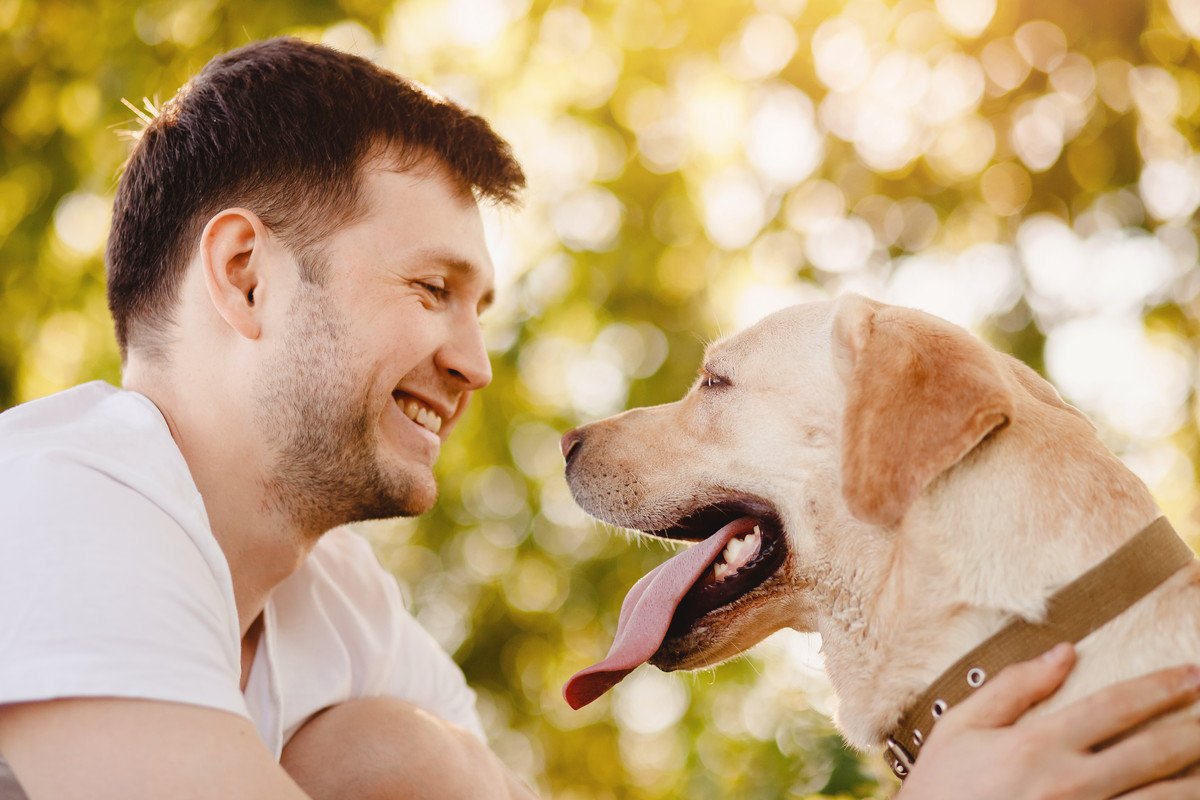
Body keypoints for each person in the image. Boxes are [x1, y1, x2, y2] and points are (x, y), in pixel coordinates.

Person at [0, 36, 1197, 800]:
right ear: (247, 276)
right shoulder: (59, 502)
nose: (471, 360)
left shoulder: (340, 610)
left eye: (479, 306)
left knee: (385, 750)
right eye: (430, 290)